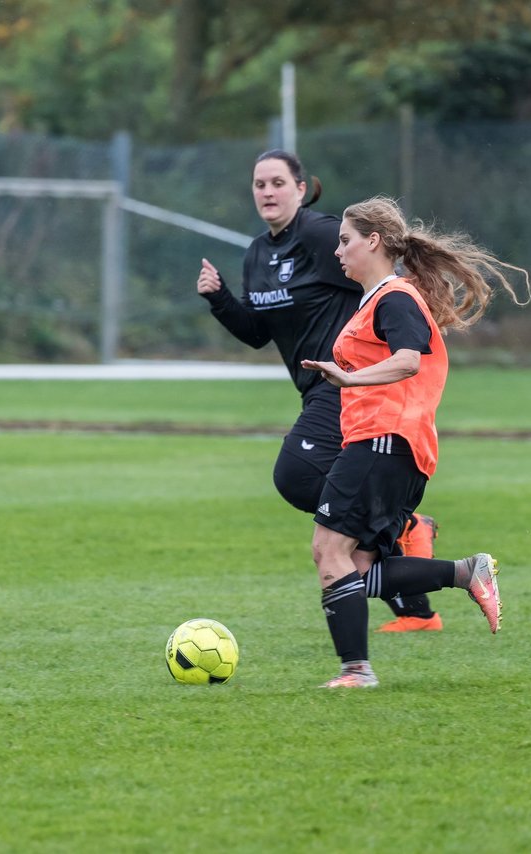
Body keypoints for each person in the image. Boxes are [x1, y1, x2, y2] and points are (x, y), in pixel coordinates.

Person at [196, 151, 444, 631]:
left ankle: (401, 528)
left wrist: (397, 331)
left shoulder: (319, 235)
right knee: (345, 526)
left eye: (277, 183)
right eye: (258, 184)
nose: (266, 192)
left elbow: (374, 273)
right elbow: (256, 332)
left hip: (346, 385)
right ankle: (416, 605)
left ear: (301, 188)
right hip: (316, 388)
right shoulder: (257, 254)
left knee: (294, 476)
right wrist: (219, 298)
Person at [301, 195, 531, 688]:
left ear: (374, 241)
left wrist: (346, 379)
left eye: (345, 241)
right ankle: (465, 573)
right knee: (357, 570)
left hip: (385, 442)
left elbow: (408, 360)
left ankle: (356, 672)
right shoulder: (378, 299)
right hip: (389, 446)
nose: (338, 251)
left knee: (329, 551)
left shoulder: (396, 297)